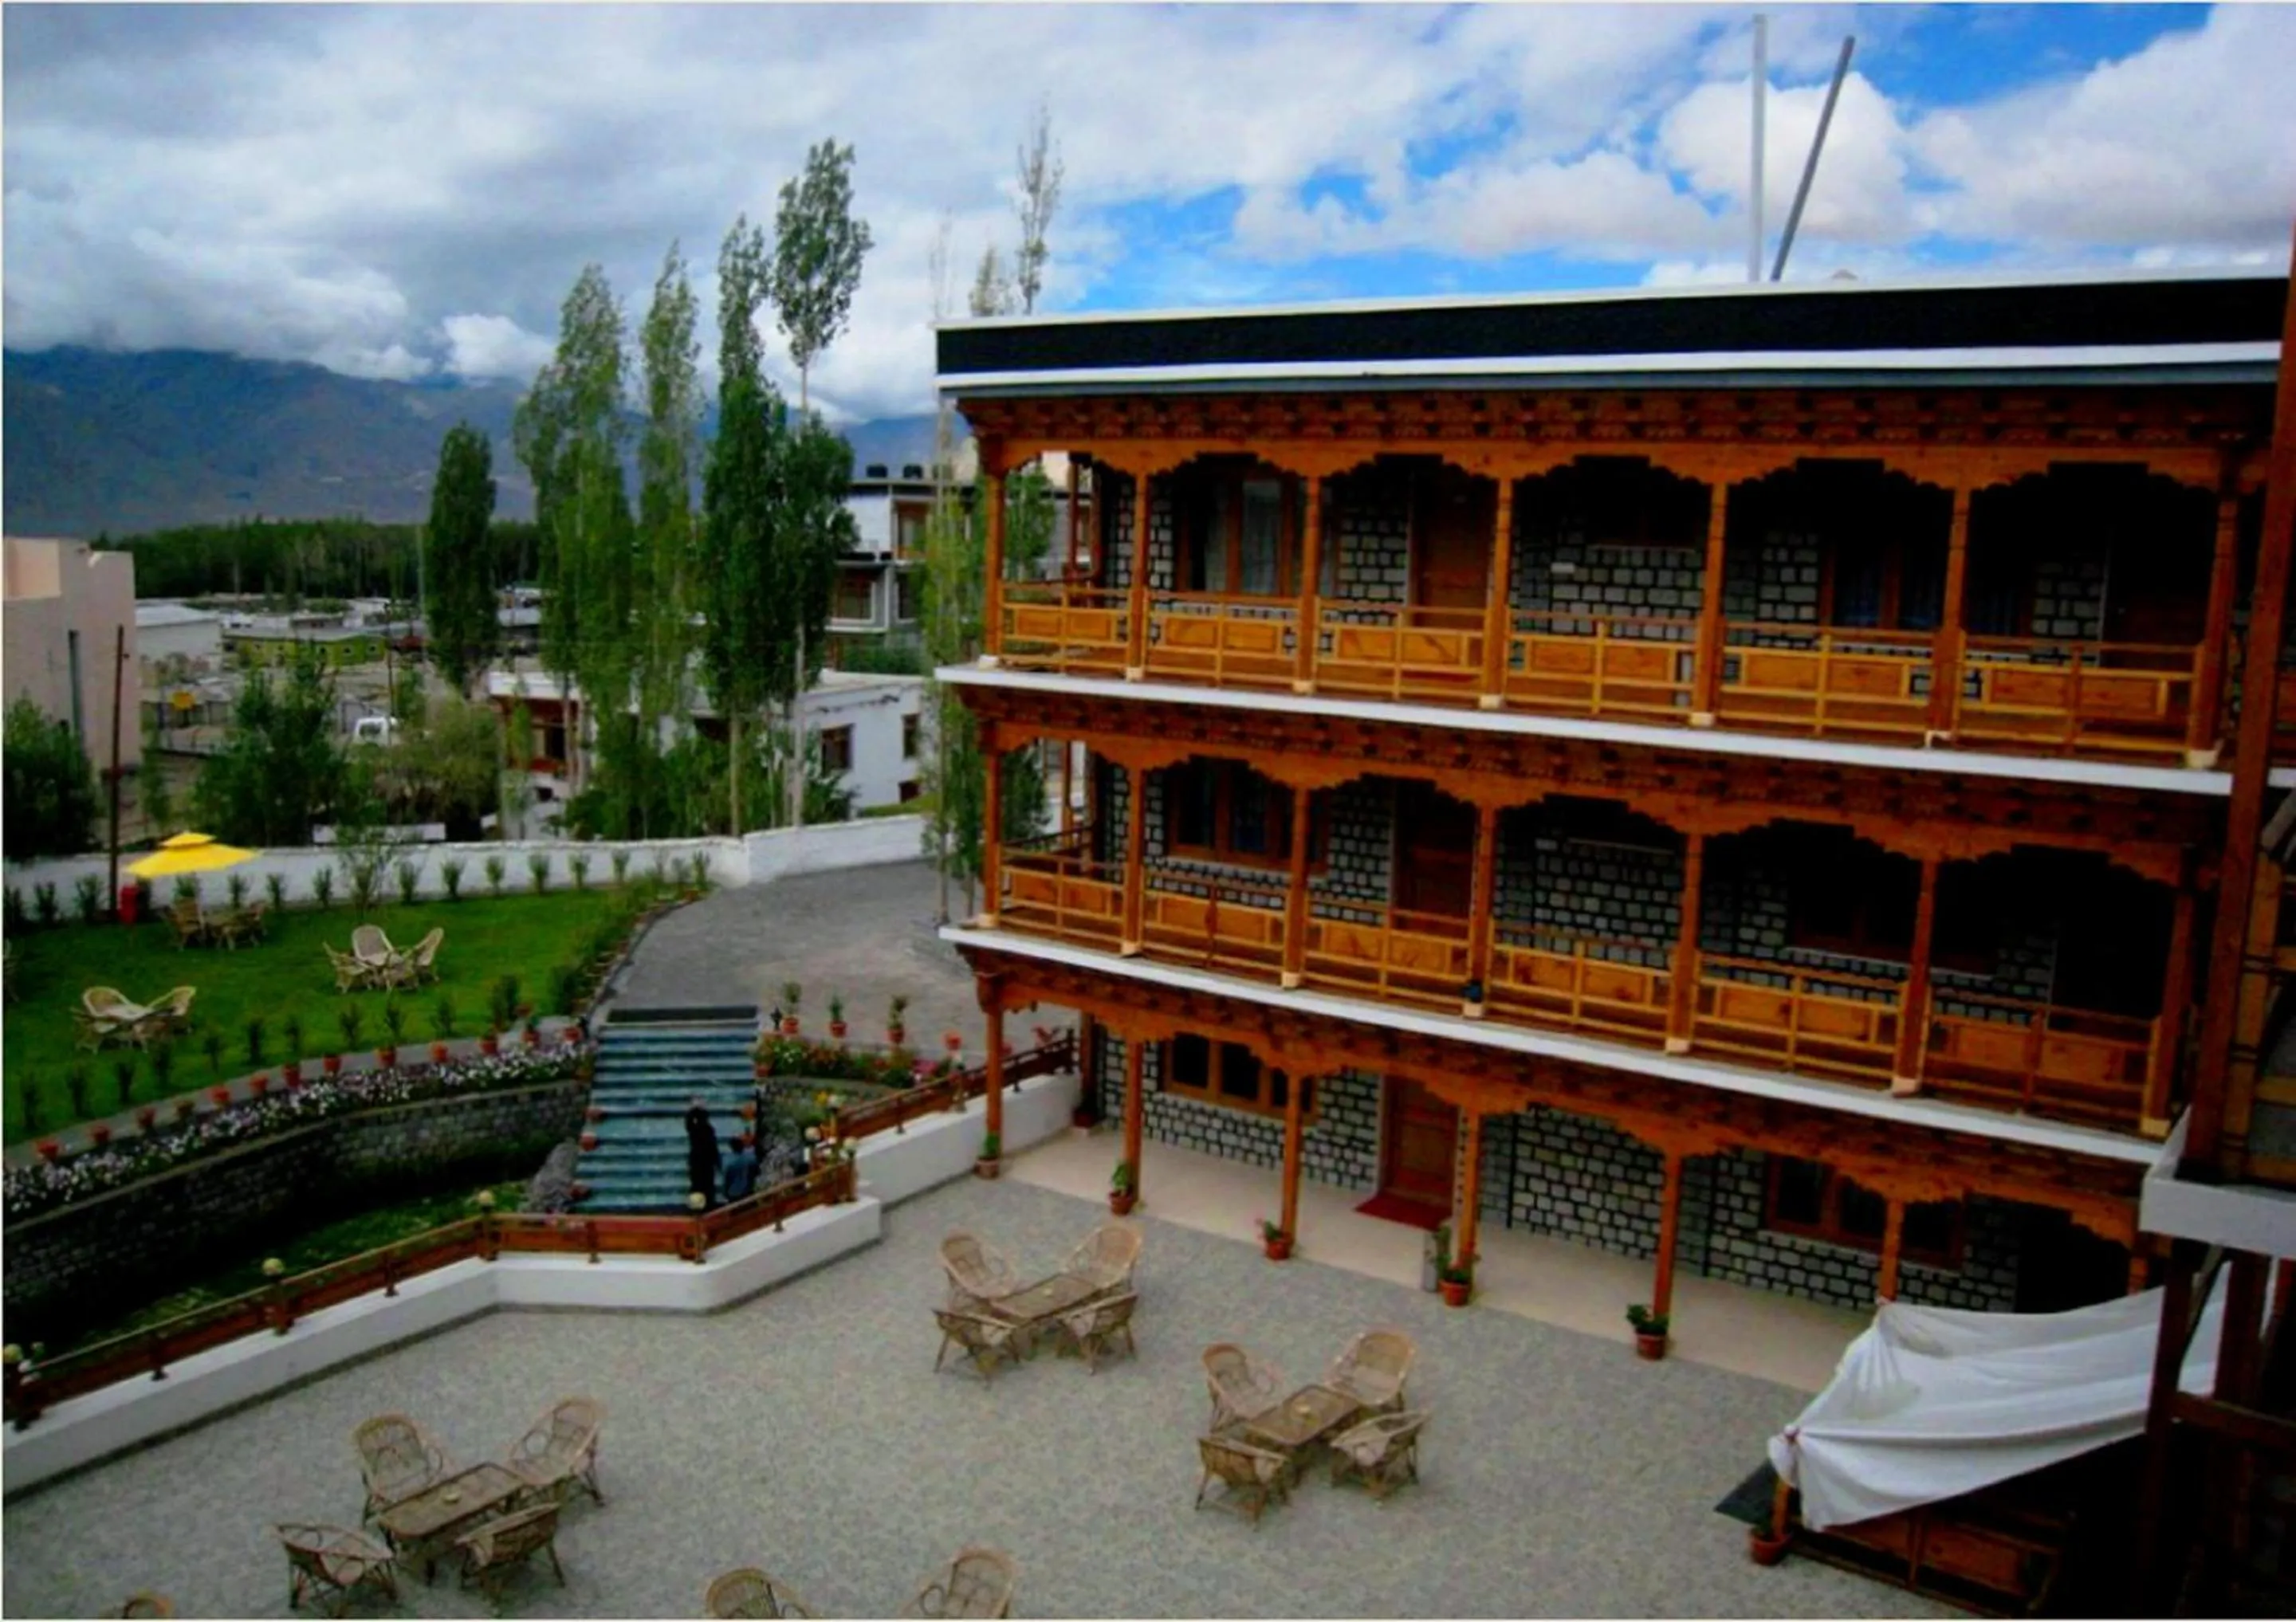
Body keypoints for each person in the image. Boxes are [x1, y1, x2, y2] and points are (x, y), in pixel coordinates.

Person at [684, 1097, 721, 1206]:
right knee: (707, 1184)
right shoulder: (708, 1130)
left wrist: (693, 1109)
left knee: (697, 1184)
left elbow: (688, 1123)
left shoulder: (694, 1131)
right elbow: (713, 1147)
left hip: (697, 1161)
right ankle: (708, 1203)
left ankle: (697, 1204)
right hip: (707, 1162)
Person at [721, 1133, 760, 1203]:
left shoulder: (728, 1162)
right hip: (747, 1192)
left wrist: (725, 1193)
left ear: (732, 1147)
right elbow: (757, 1173)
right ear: (742, 1146)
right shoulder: (751, 1160)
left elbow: (727, 1179)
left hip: (733, 1194)